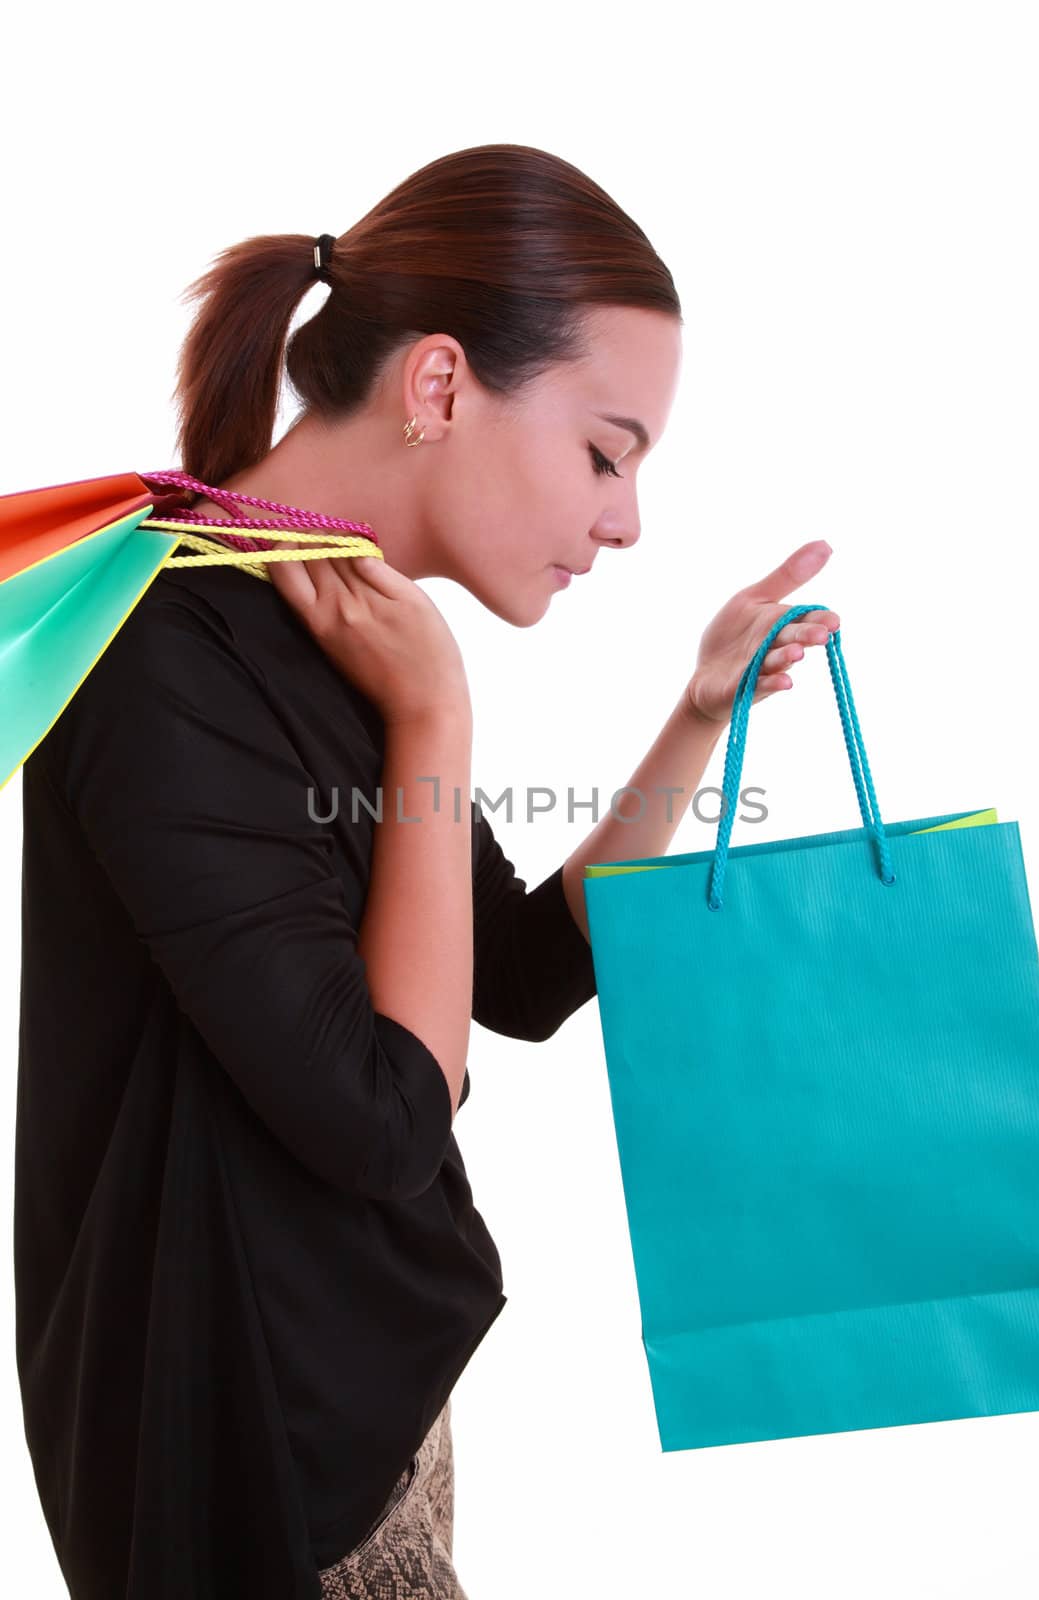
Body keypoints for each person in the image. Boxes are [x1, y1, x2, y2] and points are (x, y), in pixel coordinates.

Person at [14, 141, 837, 1599]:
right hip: (257, 1460)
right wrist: (436, 716)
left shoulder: (345, 624)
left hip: (368, 1405)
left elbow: (510, 975)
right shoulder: (166, 658)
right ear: (441, 385)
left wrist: (698, 715)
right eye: (606, 451)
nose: (625, 520)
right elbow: (391, 1114)